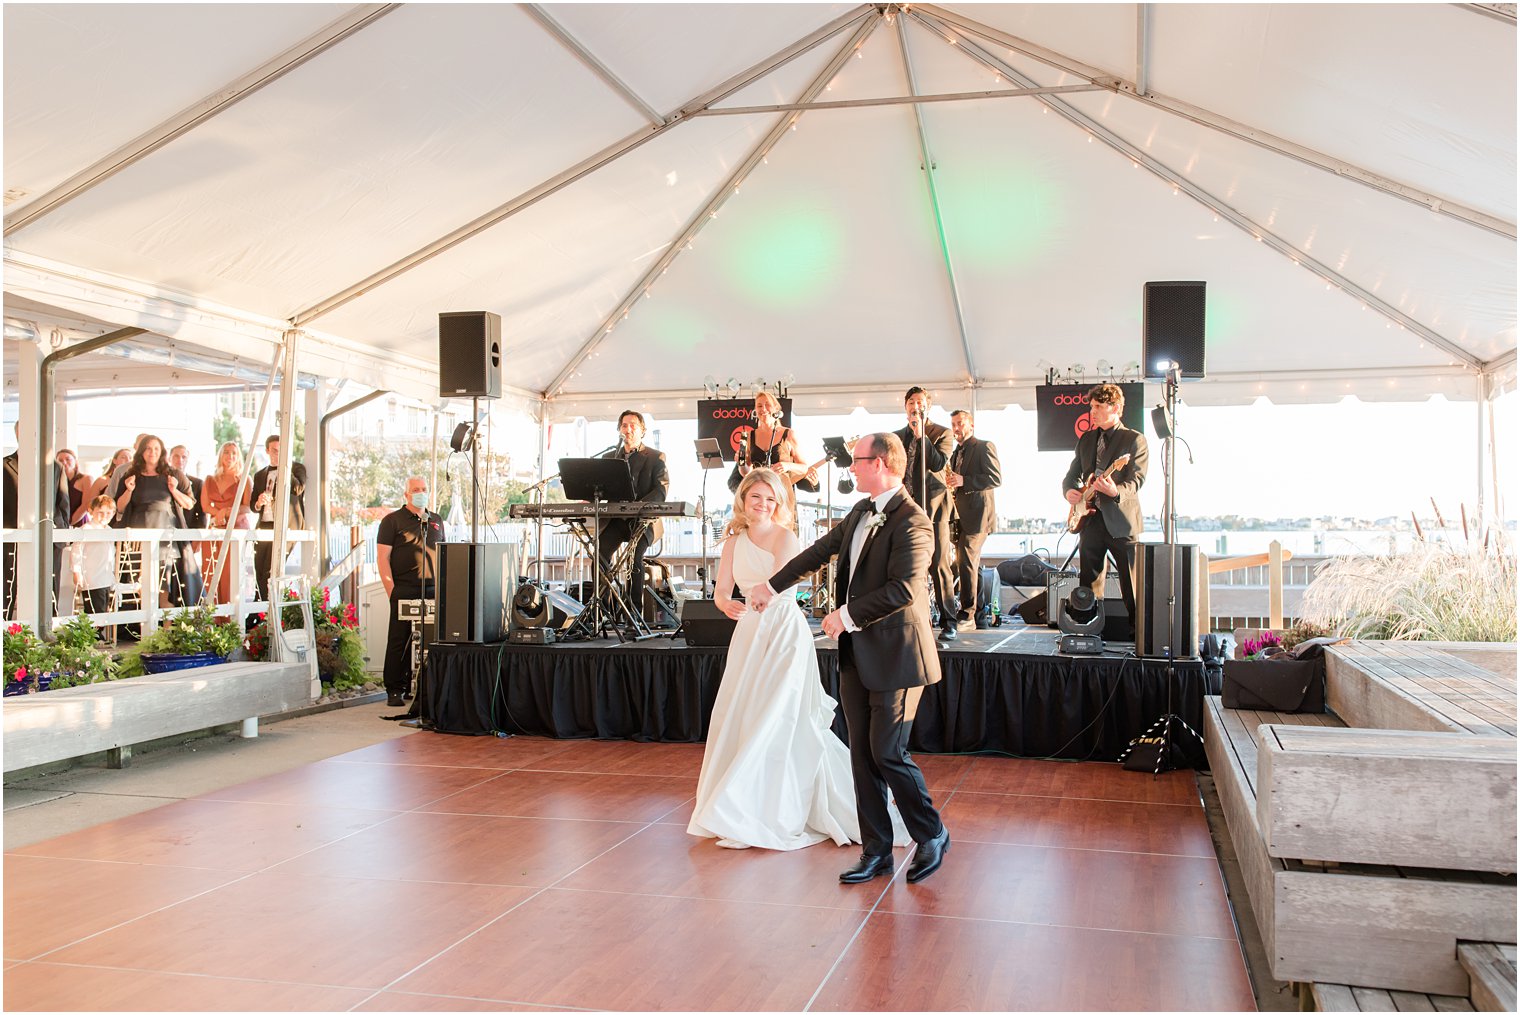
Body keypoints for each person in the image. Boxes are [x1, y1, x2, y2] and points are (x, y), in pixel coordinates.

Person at [752, 432, 950, 885]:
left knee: (888, 752)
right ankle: (876, 850)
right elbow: (819, 552)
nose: (850, 469)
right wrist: (771, 586)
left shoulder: (913, 522)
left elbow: (903, 590)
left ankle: (932, 832)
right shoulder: (861, 511)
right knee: (861, 754)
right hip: (857, 656)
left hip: (898, 656)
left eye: (857, 462)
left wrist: (846, 615)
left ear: (879, 463)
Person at [688, 469, 901, 852]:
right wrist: (726, 604)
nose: (764, 505)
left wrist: (757, 600)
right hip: (749, 634)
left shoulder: (785, 537)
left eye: (771, 499)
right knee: (747, 714)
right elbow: (722, 591)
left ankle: (765, 812)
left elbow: (777, 586)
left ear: (779, 504)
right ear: (744, 500)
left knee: (778, 715)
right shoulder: (732, 543)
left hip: (783, 632)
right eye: (756, 497)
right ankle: (743, 806)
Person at [1062, 383, 1148, 623]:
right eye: (1092, 406)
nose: (1093, 411)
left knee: (1131, 584)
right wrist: (1069, 491)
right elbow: (1072, 475)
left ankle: (1138, 635)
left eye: (1099, 406)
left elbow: (1136, 481)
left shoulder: (1134, 440)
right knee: (1088, 582)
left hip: (1121, 522)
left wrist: (1114, 491)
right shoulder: (1087, 439)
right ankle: (1086, 628)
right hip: (1090, 520)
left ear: (1116, 408)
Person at [893, 386, 958, 641]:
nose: (915, 405)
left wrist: (922, 435)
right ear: (905, 406)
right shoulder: (897, 436)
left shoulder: (942, 433)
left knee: (939, 565)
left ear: (927, 407)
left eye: (920, 402)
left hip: (933, 509)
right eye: (911, 401)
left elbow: (938, 463)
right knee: (904, 564)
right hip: (904, 509)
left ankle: (949, 621)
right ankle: (910, 618)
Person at [376, 476, 442, 707]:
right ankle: (395, 688)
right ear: (406, 494)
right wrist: (391, 590)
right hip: (403, 588)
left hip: (433, 589)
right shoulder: (391, 521)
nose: (421, 492)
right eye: (416, 489)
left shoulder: (436, 521)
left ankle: (428, 686)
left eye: (424, 489)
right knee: (399, 639)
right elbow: (383, 558)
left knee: (433, 639)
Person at [596, 410, 668, 612]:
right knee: (600, 554)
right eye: (624, 425)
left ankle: (633, 613)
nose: (628, 429)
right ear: (619, 429)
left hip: (644, 521)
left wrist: (637, 507)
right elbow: (602, 487)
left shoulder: (655, 457)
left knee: (634, 556)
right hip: (616, 521)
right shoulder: (609, 457)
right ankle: (603, 611)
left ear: (642, 430)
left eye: (633, 425)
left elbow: (661, 491)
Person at [115, 435, 197, 605]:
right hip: (139, 533)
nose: (152, 452)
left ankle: (166, 630)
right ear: (142, 451)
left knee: (165, 584)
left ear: (162, 452)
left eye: (156, 449)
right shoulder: (131, 475)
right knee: (142, 582)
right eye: (148, 448)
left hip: (166, 534)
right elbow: (120, 507)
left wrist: (174, 490)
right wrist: (129, 490)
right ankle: (146, 629)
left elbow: (189, 504)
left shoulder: (173, 474)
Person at [727, 390, 819, 529]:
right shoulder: (747, 436)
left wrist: (787, 465)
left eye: (767, 405)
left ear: (776, 409)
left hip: (782, 493)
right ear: (755, 410)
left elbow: (804, 467)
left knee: (782, 535)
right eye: (759, 406)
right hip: (759, 496)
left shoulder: (788, 434)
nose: (763, 409)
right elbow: (745, 473)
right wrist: (742, 462)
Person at [946, 409, 1003, 630]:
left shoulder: (984, 446)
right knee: (971, 565)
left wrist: (963, 480)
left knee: (966, 559)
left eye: (960, 423)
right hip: (960, 516)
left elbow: (995, 478)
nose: (956, 428)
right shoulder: (954, 453)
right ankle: (980, 617)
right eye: (953, 424)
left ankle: (967, 614)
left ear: (971, 425)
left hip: (979, 516)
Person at [248, 434, 307, 604]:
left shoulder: (297, 468)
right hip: (265, 525)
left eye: (282, 450)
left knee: (271, 569)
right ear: (267, 451)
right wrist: (259, 502)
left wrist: (284, 468)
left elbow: (298, 489)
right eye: (274, 450)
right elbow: (253, 506)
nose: (278, 454)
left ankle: (270, 610)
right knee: (258, 568)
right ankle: (258, 608)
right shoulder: (260, 475)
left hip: (287, 526)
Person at [201, 441, 253, 603]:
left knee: (230, 572)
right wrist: (220, 514)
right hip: (215, 527)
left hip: (236, 527)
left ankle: (230, 617)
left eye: (234, 453)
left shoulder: (244, 479)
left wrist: (228, 512)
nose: (230, 456)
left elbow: (247, 506)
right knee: (210, 570)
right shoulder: (210, 479)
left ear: (238, 457)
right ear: (221, 455)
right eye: (226, 452)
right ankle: (213, 616)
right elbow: (205, 506)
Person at [167, 445, 205, 606]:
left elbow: (201, 513)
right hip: (169, 532)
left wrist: (198, 538)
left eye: (183, 457)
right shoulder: (164, 478)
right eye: (176, 456)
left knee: (189, 575)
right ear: (170, 457)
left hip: (188, 533)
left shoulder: (197, 483)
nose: (180, 460)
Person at [72, 494, 118, 619]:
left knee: (103, 606)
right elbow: (76, 551)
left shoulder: (109, 530)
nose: (104, 516)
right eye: (100, 512)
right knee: (94, 608)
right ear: (91, 511)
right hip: (91, 577)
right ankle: (96, 635)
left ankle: (99, 633)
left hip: (106, 576)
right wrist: (76, 572)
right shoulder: (86, 529)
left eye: (109, 513)